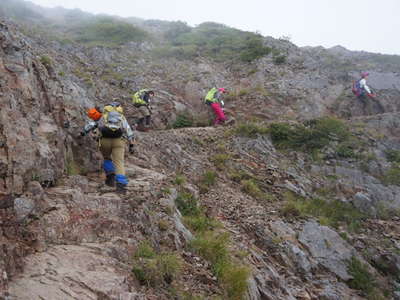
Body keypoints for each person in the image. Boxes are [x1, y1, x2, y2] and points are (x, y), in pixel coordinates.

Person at [81, 101, 134, 194]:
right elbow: (128, 131)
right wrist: (131, 145)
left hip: (104, 140)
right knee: (119, 162)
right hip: (119, 141)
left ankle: (110, 177)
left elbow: (91, 124)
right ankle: (121, 187)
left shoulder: (103, 115)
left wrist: (83, 132)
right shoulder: (121, 117)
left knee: (106, 158)